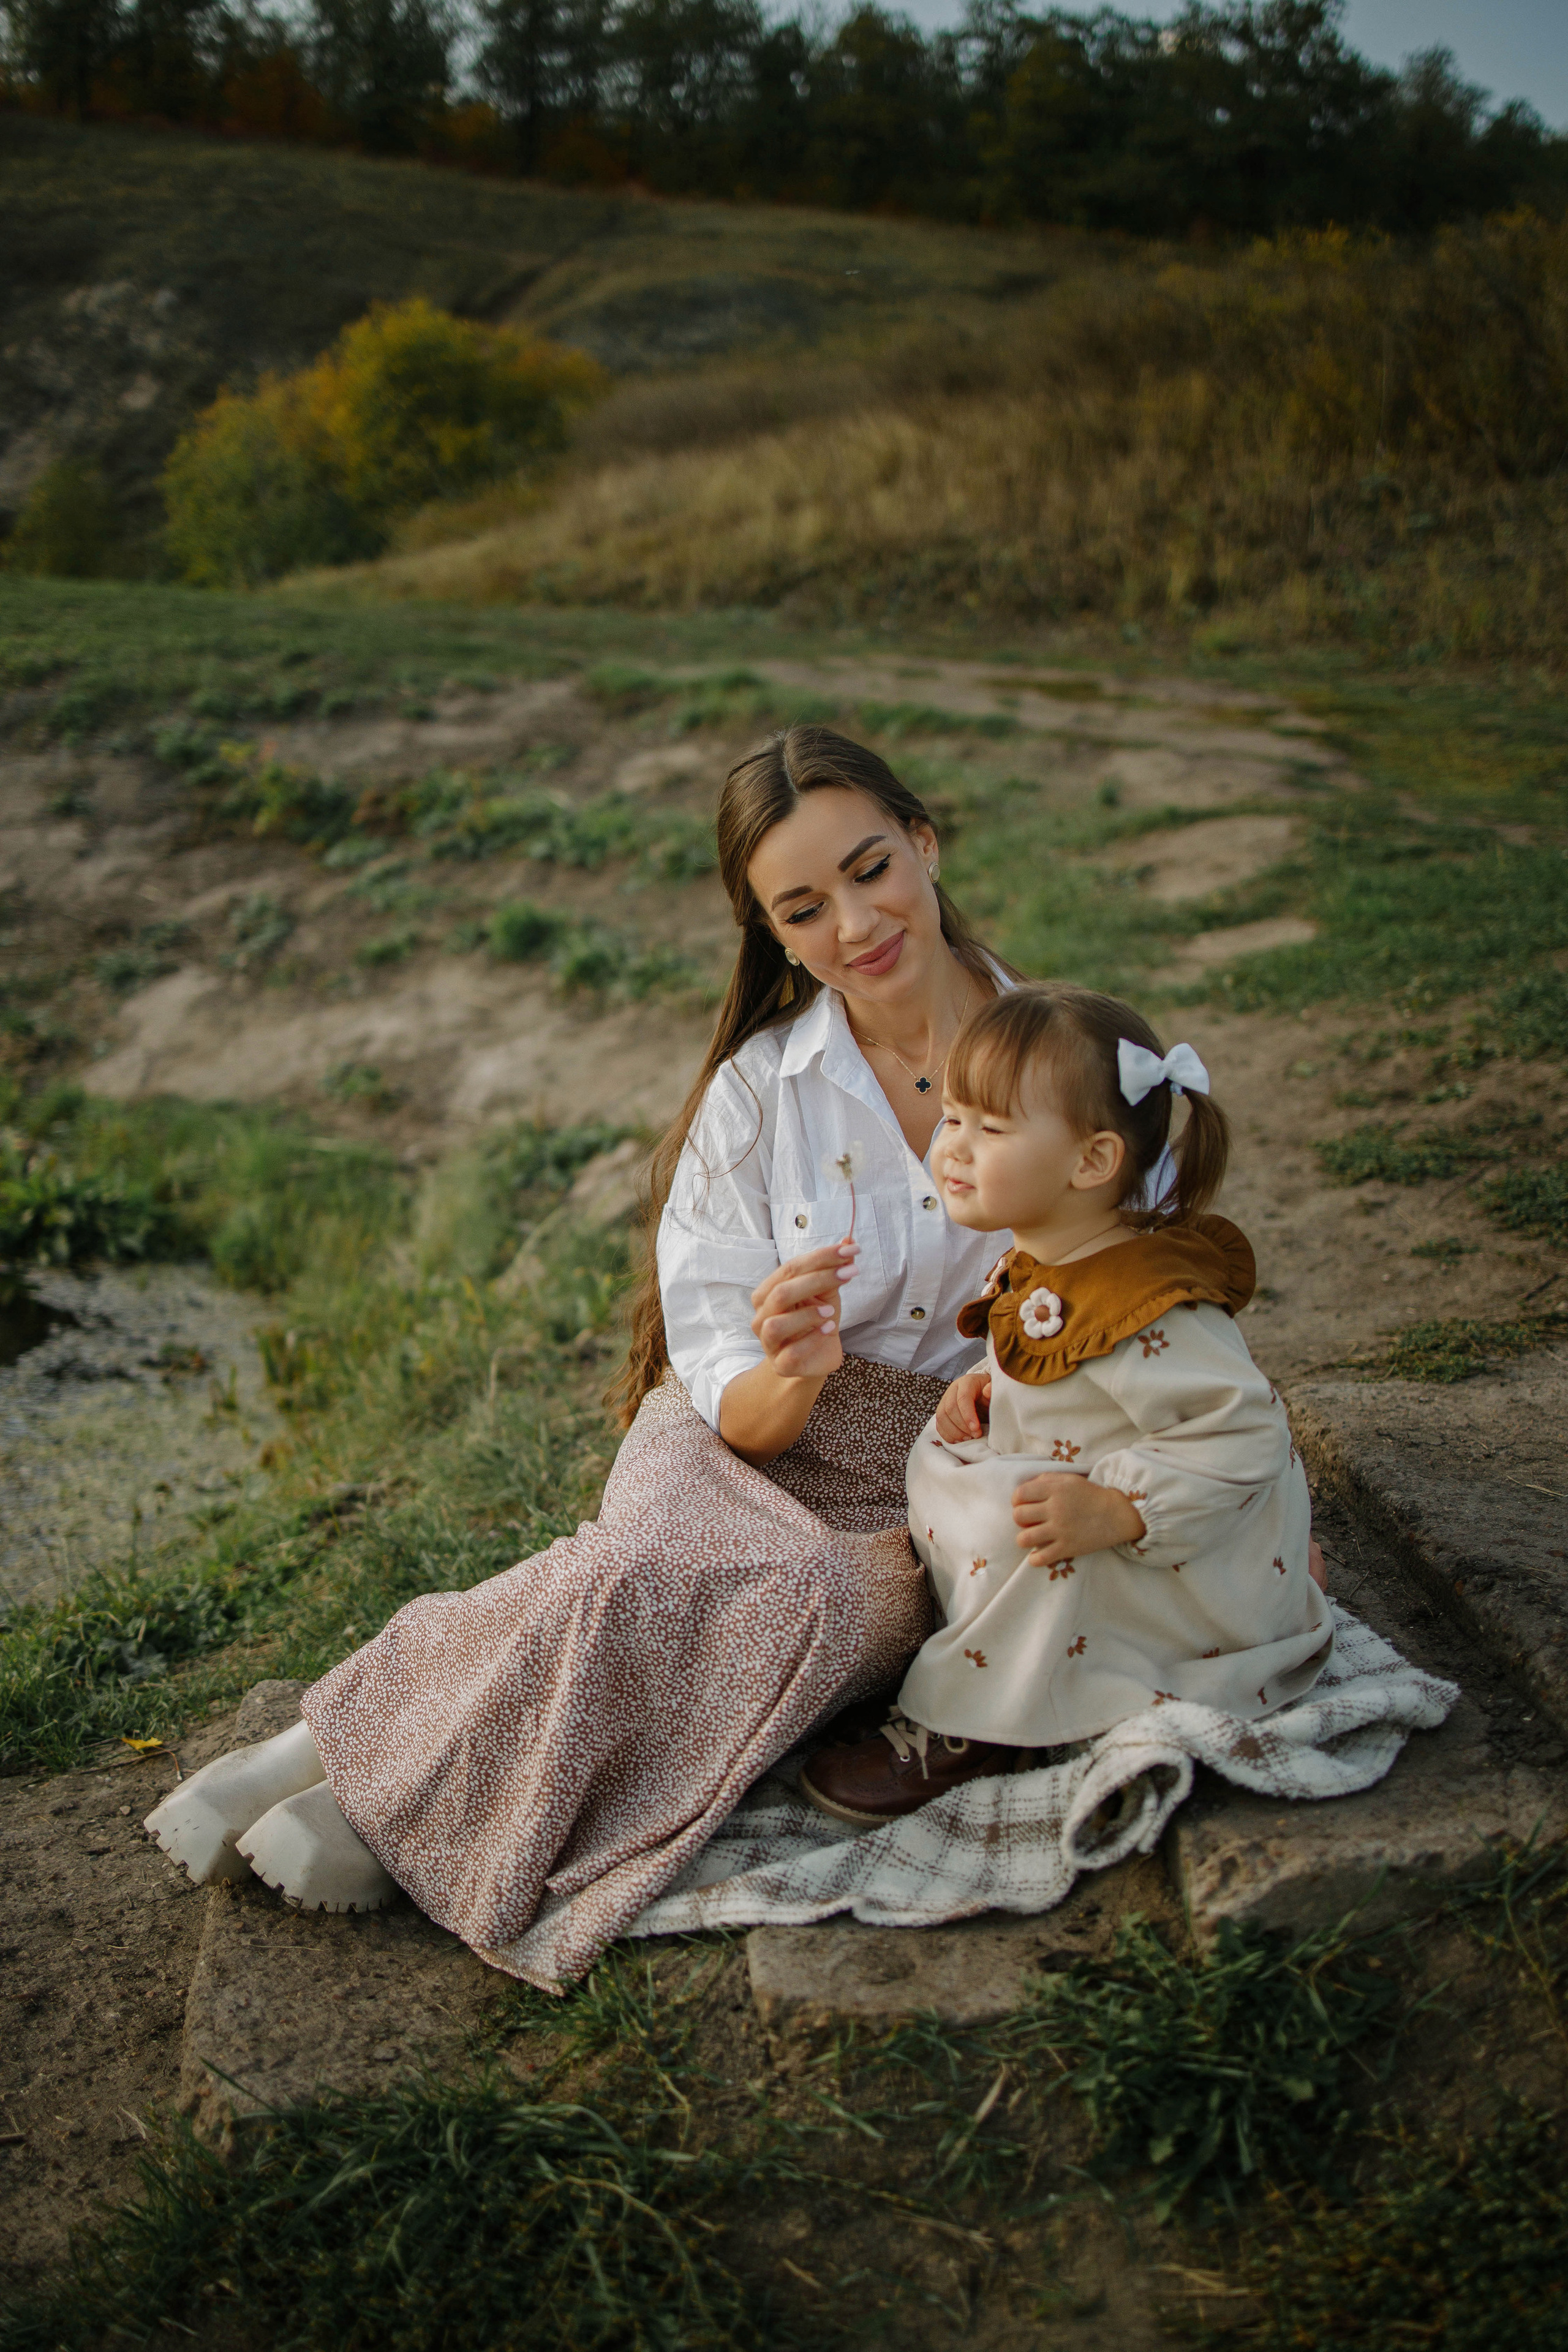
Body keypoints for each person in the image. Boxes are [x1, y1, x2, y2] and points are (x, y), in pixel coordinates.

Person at [799, 985, 1334, 1827]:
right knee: (963, 1473)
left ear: (1092, 1163)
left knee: (1024, 1530)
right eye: (955, 1116)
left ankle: (978, 1718)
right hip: (1111, 1504)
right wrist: (991, 1384)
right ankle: (994, 1657)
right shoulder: (1054, 1250)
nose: (954, 1146)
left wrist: (1123, 1510)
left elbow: (1245, 1434)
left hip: (1160, 1538)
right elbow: (1065, 1368)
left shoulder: (1149, 1307)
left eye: (993, 1129)